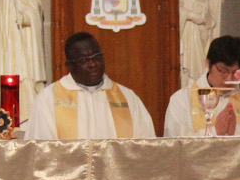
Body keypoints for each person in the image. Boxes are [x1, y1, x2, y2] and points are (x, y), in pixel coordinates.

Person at [26, 32, 156, 139]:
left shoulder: (128, 98)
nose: (93, 64)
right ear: (69, 66)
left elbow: (145, 150)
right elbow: (40, 152)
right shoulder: (48, 99)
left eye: (96, 56)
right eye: (84, 60)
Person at [165, 35, 240, 137]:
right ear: (208, 63)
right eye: (222, 70)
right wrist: (216, 131)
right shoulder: (181, 99)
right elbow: (175, 146)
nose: (229, 79)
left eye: (235, 72)